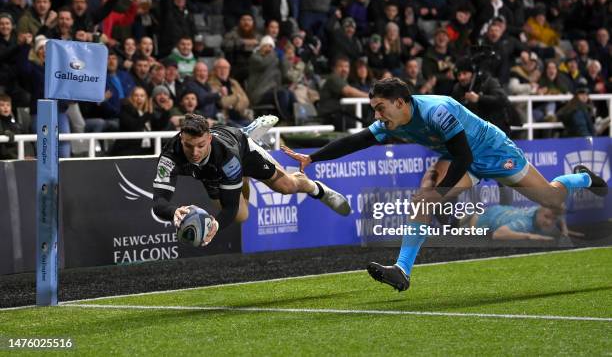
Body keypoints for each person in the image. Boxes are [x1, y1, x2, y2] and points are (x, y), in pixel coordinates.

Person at [281, 77, 608, 292]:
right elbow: (360, 140)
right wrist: (314, 158)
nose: (378, 116)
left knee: (551, 199)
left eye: (381, 108)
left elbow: (464, 156)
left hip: (493, 152)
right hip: (460, 157)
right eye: (375, 109)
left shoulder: (437, 111)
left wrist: (442, 192)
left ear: (401, 102)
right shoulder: (392, 120)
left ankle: (581, 176)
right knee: (425, 199)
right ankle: (402, 271)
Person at [152, 114, 351, 245]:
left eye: (201, 145)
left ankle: (315, 188)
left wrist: (215, 225)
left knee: (287, 186)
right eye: (188, 146)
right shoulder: (169, 156)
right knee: (242, 216)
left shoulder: (227, 157)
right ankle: (242, 171)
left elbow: (229, 208)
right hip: (209, 173)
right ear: (180, 139)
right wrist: (173, 213)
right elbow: (159, 202)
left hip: (242, 152)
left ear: (209, 139)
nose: (195, 152)